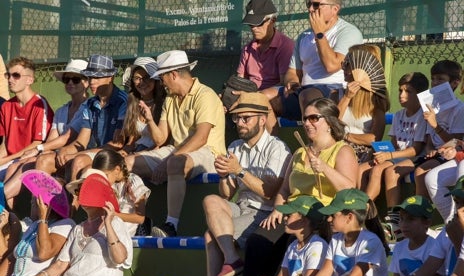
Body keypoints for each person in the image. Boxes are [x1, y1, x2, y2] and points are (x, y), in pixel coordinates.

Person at [239, 97, 358, 276]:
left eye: (314, 118)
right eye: (305, 119)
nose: (307, 123)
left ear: (329, 122)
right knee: (258, 242)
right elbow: (285, 189)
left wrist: (324, 168)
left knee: (296, 239)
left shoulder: (342, 150)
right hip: (293, 210)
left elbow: (350, 190)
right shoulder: (299, 152)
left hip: (321, 214)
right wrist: (278, 209)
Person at [197, 92, 291, 276]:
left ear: (262, 119)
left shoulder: (277, 148)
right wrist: (223, 176)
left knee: (210, 236)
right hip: (240, 206)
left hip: (264, 212)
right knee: (210, 200)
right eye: (236, 118)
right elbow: (226, 194)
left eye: (245, 118)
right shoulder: (234, 147)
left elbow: (270, 193)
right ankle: (232, 258)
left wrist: (239, 171)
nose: (240, 123)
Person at [135, 50, 226, 238]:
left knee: (175, 163)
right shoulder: (170, 99)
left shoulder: (206, 95)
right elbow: (160, 139)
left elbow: (201, 138)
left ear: (174, 75)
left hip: (210, 154)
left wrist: (169, 160)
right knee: (128, 163)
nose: (160, 83)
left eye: (161, 77)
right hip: (178, 152)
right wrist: (150, 120)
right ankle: (140, 221)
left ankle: (171, 225)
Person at [16, 173, 132, 276]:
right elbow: (61, 265)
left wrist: (108, 224)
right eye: (79, 191)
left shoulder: (116, 224)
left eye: (87, 191)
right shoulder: (78, 228)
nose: (81, 195)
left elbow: (120, 259)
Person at [2, 59, 89, 209]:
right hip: (55, 156)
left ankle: (33, 213)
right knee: (15, 166)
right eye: (66, 79)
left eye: (75, 79)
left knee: (36, 161)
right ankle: (9, 222)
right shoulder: (62, 110)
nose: (70, 83)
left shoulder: (88, 108)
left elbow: (65, 137)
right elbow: (51, 139)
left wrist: (38, 150)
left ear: (86, 83)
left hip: (73, 157)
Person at [358, 72, 429, 240]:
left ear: (420, 95)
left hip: (414, 159)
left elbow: (415, 150)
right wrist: (381, 153)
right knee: (364, 168)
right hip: (396, 156)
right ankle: (361, 207)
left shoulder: (423, 116)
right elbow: (395, 143)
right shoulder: (398, 115)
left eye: (408, 91)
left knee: (387, 171)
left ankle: (392, 220)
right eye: (400, 90)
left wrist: (389, 155)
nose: (402, 95)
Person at [264, 0, 363, 121]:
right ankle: (270, 140)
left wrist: (319, 34)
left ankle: (316, 140)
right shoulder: (304, 36)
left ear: (335, 9)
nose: (310, 9)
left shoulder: (349, 32)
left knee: (308, 96)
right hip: (304, 91)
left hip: (334, 91)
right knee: (259, 99)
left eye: (316, 5)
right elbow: (293, 72)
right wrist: (292, 82)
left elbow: (331, 65)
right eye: (308, 4)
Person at [291, 188, 389, 276]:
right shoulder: (336, 239)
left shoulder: (370, 241)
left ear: (349, 217)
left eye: (333, 215)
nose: (328, 219)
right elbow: (324, 275)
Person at [244, 195, 333, 276]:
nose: (285, 218)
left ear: (303, 221)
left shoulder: (317, 246)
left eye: (289, 215)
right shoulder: (293, 245)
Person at [360, 196, 439, 276]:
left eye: (411, 219)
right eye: (401, 219)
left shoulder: (434, 246)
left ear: (427, 223)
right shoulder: (400, 246)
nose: (404, 224)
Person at [0, 175, 75, 276]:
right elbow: (13, 259)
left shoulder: (65, 224)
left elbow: (44, 253)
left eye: (37, 198)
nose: (33, 201)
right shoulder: (33, 226)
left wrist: (43, 219)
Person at [59, 54, 127, 181]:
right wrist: (65, 150)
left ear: (110, 78)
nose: (92, 82)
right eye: (90, 77)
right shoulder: (89, 104)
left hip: (115, 155)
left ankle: (74, 200)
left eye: (97, 77)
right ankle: (42, 201)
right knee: (44, 160)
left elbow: (118, 144)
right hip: (96, 153)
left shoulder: (123, 101)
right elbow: (81, 142)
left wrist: (77, 154)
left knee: (78, 161)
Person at [237, 0, 294, 133]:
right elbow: (240, 79)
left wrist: (256, 97)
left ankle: (276, 145)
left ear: (273, 20)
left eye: (258, 23)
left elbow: (284, 83)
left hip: (277, 96)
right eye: (251, 24)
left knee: (260, 100)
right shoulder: (247, 49)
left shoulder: (286, 45)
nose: (254, 28)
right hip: (251, 95)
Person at [67, 149, 151, 237]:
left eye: (105, 175)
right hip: (103, 230)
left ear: (117, 170)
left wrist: (114, 215)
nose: (103, 179)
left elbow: (140, 218)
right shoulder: (105, 183)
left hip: (122, 234)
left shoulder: (133, 182)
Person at [415, 60, 464, 201]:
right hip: (434, 154)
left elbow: (455, 142)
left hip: (450, 153)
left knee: (421, 172)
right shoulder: (432, 107)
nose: (435, 83)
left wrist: (436, 125)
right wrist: (430, 148)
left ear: (455, 83)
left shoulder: (459, 109)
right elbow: (430, 139)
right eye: (433, 79)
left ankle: (421, 213)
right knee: (395, 170)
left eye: (440, 79)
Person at [0, 56, 54, 179]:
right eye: (8, 75)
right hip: (9, 160)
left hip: (30, 159)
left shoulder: (40, 104)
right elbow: (5, 145)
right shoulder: (6, 106)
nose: (10, 79)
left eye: (16, 75)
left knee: (10, 172)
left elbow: (37, 144)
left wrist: (7, 159)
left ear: (29, 80)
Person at [338, 44, 390, 163]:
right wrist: (346, 98)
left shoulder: (377, 99)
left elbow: (374, 138)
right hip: (338, 147)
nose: (343, 68)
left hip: (363, 151)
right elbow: (331, 124)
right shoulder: (337, 94)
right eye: (343, 63)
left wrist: (345, 136)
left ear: (362, 66)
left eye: (347, 64)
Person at [119, 57, 166, 156]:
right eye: (137, 78)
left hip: (157, 153)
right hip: (137, 150)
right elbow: (131, 141)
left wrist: (138, 155)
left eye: (147, 77)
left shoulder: (164, 103)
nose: (142, 82)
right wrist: (123, 152)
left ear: (155, 80)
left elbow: (162, 143)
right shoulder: (133, 103)